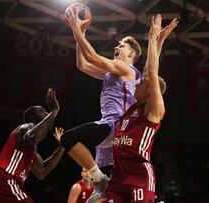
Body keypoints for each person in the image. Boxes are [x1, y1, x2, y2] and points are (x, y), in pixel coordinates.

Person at [63, 6, 142, 203]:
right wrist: (80, 32)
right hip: (111, 126)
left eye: (121, 46)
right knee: (117, 185)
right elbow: (82, 64)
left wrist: (75, 29)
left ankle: (99, 181)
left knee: (69, 138)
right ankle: (103, 184)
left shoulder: (127, 69)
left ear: (131, 54)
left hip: (116, 125)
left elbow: (92, 57)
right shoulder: (113, 72)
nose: (117, 47)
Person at [102, 15, 178, 203]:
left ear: (151, 91)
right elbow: (148, 71)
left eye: (141, 83)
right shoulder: (135, 106)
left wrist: (152, 38)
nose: (136, 84)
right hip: (118, 174)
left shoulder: (153, 110)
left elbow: (151, 72)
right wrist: (159, 42)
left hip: (138, 175)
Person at [0, 88, 65, 203]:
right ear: (32, 118)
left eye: (47, 112)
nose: (47, 114)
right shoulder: (25, 127)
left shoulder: (28, 149)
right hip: (4, 179)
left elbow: (42, 172)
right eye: (43, 111)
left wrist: (61, 147)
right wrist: (54, 111)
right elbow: (33, 137)